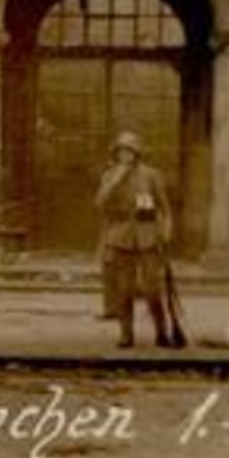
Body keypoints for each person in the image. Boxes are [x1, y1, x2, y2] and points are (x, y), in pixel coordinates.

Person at [96, 131, 174, 348]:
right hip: (120, 236)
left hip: (147, 236)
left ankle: (162, 331)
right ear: (116, 153)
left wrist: (166, 231)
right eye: (121, 151)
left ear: (137, 153)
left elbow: (164, 208)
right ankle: (126, 334)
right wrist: (115, 180)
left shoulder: (151, 175)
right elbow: (100, 204)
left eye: (129, 151)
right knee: (124, 289)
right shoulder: (109, 175)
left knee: (152, 289)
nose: (125, 155)